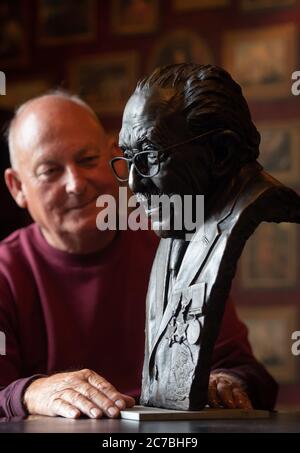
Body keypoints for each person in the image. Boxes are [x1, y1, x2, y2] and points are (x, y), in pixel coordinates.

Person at [0, 91, 277, 420]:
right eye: (50, 171)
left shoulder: (177, 245)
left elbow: (248, 373)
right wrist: (30, 392)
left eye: (88, 160)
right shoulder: (6, 273)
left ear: (114, 156)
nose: (75, 184)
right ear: (17, 187)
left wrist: (226, 384)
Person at [112, 64, 292, 410]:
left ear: (221, 153)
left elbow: (249, 371)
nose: (134, 183)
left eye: (150, 155)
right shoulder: (178, 220)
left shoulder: (226, 205)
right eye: (128, 158)